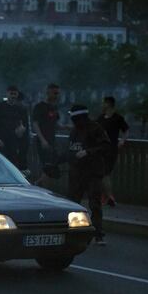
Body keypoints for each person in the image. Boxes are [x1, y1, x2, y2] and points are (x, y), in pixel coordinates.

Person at [62, 104, 111, 246]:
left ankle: (98, 234)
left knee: (94, 204)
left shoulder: (96, 129)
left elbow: (105, 146)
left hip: (93, 172)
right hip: (76, 171)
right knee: (72, 203)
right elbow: (70, 150)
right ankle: (71, 230)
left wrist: (88, 152)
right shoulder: (74, 131)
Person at [96, 96, 129, 207]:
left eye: (103, 103)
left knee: (105, 172)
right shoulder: (101, 118)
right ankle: (105, 196)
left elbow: (126, 130)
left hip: (111, 149)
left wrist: (123, 141)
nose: (102, 105)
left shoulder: (117, 118)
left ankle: (109, 196)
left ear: (108, 104)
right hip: (100, 149)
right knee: (101, 173)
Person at [0, 85, 29, 169]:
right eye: (11, 94)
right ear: (7, 94)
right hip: (1, 140)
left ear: (17, 94)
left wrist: (21, 130)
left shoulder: (21, 108)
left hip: (13, 142)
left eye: (15, 94)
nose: (13, 96)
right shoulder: (0, 106)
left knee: (12, 165)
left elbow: (23, 125)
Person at [32, 83, 62, 187]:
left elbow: (55, 124)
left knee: (53, 164)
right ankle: (41, 187)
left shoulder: (54, 107)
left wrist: (67, 127)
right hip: (43, 141)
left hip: (52, 140)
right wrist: (42, 140)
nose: (56, 95)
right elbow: (35, 124)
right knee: (47, 165)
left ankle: (39, 183)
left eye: (58, 93)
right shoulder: (40, 107)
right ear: (48, 92)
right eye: (55, 93)